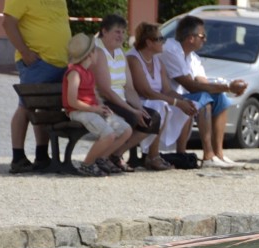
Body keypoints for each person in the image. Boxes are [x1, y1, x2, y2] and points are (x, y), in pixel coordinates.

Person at [160, 15, 248, 168]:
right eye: (202, 36)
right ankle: (208, 156)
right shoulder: (171, 50)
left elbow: (204, 84)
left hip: (182, 96)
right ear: (190, 38)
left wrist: (227, 89)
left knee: (220, 99)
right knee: (205, 99)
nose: (205, 40)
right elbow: (191, 86)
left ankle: (218, 154)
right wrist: (228, 87)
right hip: (165, 97)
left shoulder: (193, 57)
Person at [2, 0, 71, 173]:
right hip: (37, 62)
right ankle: (18, 157)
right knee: (26, 106)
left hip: (61, 62)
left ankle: (42, 155)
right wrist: (24, 52)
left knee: (47, 110)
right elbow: (8, 23)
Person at [126, 22, 199, 171]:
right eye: (160, 39)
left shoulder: (158, 61)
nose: (163, 42)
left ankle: (180, 153)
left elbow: (167, 89)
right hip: (136, 101)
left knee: (185, 106)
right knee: (162, 106)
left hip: (155, 100)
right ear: (148, 42)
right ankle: (153, 156)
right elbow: (145, 91)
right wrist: (177, 102)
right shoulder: (133, 59)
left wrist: (184, 100)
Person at [92, 14, 159, 173]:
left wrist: (138, 107)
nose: (121, 36)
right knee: (132, 117)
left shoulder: (121, 52)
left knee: (152, 118)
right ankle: (102, 157)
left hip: (119, 100)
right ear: (104, 31)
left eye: (123, 32)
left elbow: (128, 87)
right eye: (117, 31)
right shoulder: (98, 50)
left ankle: (115, 154)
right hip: (101, 101)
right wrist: (132, 110)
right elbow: (105, 91)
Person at [61, 33, 131, 177]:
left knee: (125, 130)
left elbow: (93, 96)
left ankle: (100, 159)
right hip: (78, 111)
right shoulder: (74, 73)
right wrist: (95, 109)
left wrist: (101, 107)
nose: (98, 53)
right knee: (108, 134)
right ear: (90, 55)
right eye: (96, 50)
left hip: (91, 110)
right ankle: (87, 164)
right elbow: (72, 101)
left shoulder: (88, 73)